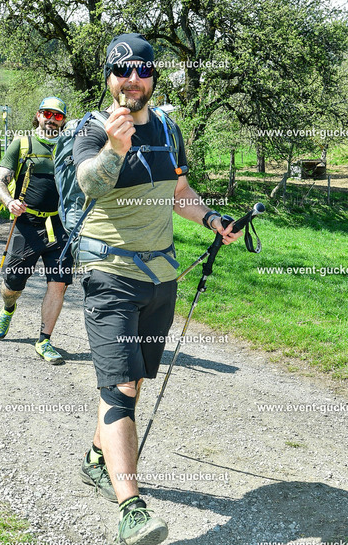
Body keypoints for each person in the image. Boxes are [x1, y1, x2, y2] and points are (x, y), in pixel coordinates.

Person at [73, 33, 242, 545]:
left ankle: (97, 458)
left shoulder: (169, 127)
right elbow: (89, 183)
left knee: (133, 381)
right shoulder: (92, 127)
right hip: (109, 274)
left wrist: (212, 219)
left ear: (153, 76)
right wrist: (115, 148)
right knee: (119, 387)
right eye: (123, 70)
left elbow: (179, 191)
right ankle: (132, 508)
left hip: (160, 276)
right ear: (109, 76)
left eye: (143, 70)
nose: (133, 79)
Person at [0, 97, 73, 364]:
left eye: (58, 116)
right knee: (12, 285)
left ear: (63, 120)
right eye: (47, 113)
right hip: (26, 225)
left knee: (59, 283)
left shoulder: (70, 145)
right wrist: (9, 201)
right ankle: (8, 307)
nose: (52, 119)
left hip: (60, 226)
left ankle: (44, 340)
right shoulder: (22, 143)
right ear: (38, 115)